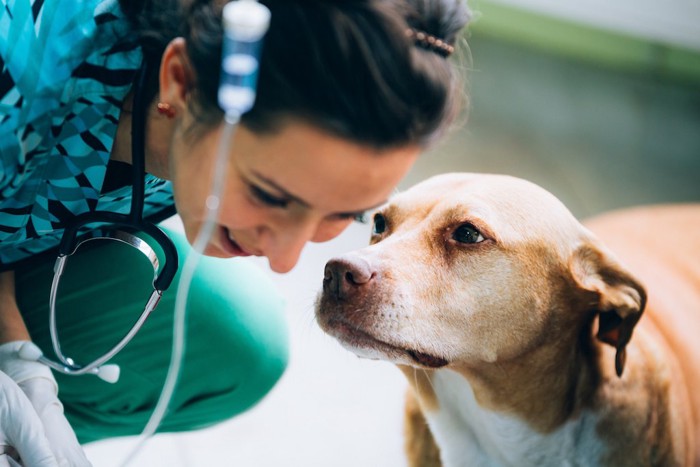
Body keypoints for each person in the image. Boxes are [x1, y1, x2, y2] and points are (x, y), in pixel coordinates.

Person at [0, 0, 470, 464]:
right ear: (180, 81)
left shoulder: (197, 115)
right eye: (269, 194)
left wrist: (15, 353)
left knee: (239, 342)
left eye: (344, 215)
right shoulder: (21, 75)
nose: (285, 259)